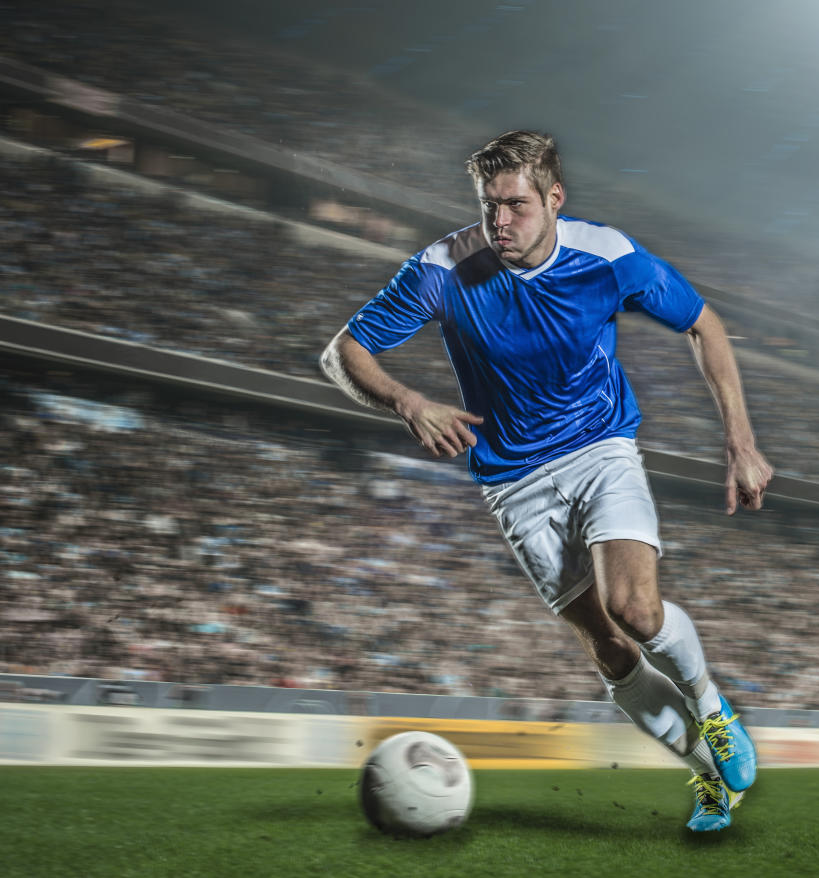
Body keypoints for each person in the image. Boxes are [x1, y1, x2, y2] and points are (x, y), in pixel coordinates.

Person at [320, 131, 773, 832]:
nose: (500, 221)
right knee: (608, 644)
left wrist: (740, 441)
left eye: (517, 205)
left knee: (637, 610)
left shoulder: (608, 257)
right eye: (489, 205)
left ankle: (712, 710)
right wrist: (409, 401)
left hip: (600, 448)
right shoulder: (443, 267)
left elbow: (705, 326)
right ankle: (708, 777)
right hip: (513, 483)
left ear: (555, 199)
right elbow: (344, 350)